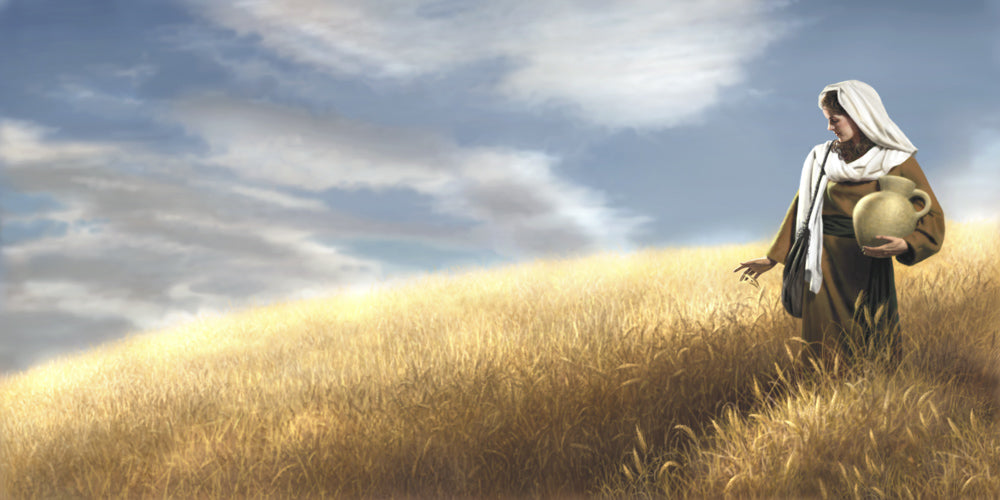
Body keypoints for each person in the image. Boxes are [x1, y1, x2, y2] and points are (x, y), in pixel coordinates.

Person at [733, 80, 945, 366]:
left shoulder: (895, 160)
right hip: (822, 265)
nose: (830, 127)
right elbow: (803, 208)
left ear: (858, 115)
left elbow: (930, 214)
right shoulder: (823, 158)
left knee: (872, 343)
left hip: (869, 262)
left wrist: (907, 243)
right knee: (823, 349)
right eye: (828, 120)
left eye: (834, 119)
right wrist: (772, 258)